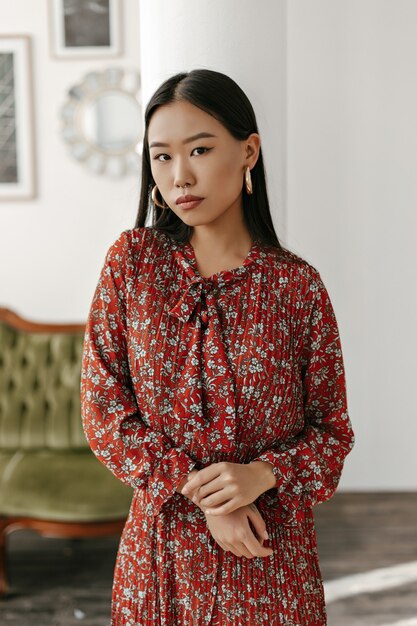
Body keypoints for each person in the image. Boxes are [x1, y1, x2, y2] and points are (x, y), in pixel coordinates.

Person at [80, 68, 355, 625]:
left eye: (200, 149)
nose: (180, 176)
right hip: (162, 559)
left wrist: (261, 475)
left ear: (248, 150)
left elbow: (332, 433)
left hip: (270, 561)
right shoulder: (132, 265)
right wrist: (207, 495)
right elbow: (104, 412)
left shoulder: (296, 286)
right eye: (161, 157)